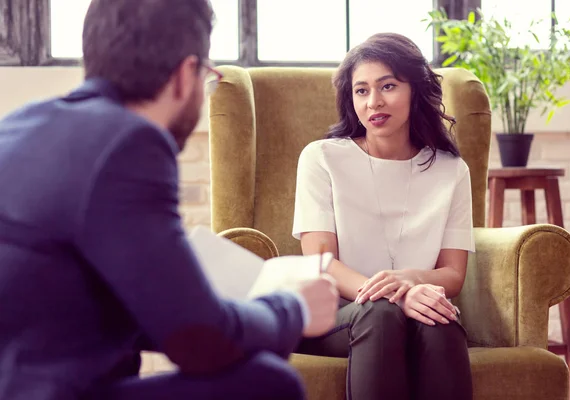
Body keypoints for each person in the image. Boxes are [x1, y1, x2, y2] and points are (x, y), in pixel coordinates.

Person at [0, 0, 339, 399]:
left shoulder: (20, 126)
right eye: (207, 78)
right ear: (184, 75)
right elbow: (201, 342)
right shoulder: (130, 143)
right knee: (266, 380)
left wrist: (188, 296)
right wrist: (293, 309)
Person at [292, 32, 474, 400]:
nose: (374, 101)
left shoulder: (451, 170)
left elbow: (453, 274)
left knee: (440, 319)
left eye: (388, 86)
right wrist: (396, 297)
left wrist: (407, 282)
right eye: (361, 91)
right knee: (381, 314)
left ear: (414, 89)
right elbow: (321, 262)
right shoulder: (322, 158)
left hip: (414, 305)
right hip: (335, 315)